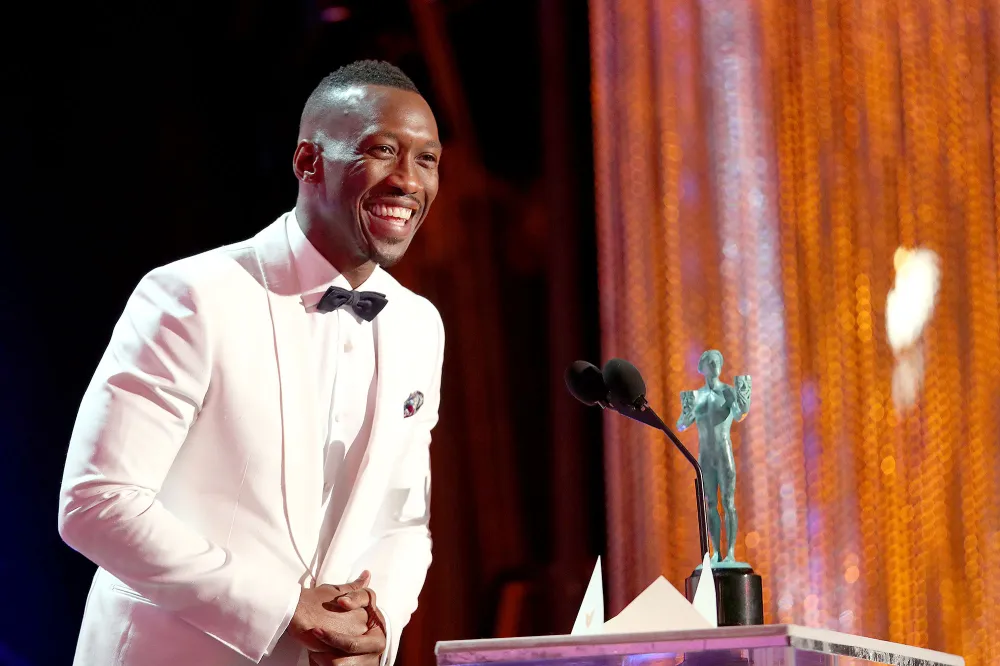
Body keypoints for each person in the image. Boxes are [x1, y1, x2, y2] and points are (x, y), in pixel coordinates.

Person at [58, 60, 444, 666]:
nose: (408, 180)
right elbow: (98, 502)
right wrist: (284, 613)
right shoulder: (194, 294)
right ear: (308, 162)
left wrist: (379, 627)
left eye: (427, 160)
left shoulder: (419, 325)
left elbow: (402, 518)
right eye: (382, 151)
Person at [676, 350, 751, 563]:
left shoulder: (727, 392)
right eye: (710, 361)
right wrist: (685, 415)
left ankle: (731, 553)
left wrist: (744, 399)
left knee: (728, 502)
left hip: (723, 451)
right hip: (705, 455)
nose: (715, 364)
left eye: (717, 360)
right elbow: (681, 424)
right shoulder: (696, 396)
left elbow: (739, 414)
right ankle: (716, 551)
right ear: (703, 367)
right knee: (710, 503)